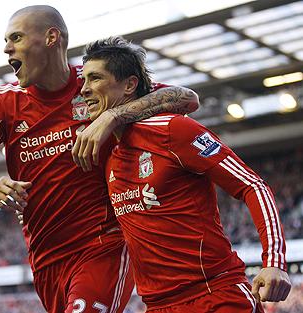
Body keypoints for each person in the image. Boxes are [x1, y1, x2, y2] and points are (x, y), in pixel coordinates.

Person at [0, 5, 199, 313]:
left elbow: (186, 97)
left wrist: (112, 116)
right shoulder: (3, 102)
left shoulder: (96, 84)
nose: (6, 48)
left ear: (51, 37)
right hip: (44, 257)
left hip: (103, 245)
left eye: (16, 37)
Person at [78, 36, 291, 313]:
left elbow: (253, 185)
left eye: (95, 78)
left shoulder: (173, 130)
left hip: (216, 296)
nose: (84, 89)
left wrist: (274, 261)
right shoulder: (108, 153)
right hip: (157, 306)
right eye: (83, 80)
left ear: (130, 84)